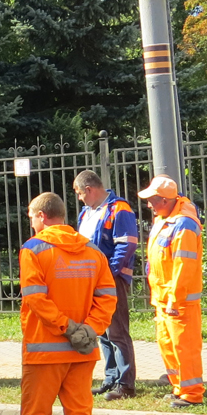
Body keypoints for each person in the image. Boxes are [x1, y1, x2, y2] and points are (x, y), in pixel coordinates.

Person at [8, 192, 116, 415]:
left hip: (44, 353)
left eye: (31, 216)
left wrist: (67, 327)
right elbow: (108, 297)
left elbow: (36, 299)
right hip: (82, 354)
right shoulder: (92, 251)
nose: (31, 222)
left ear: (41, 216)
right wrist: (90, 329)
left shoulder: (33, 250)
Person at [138, 175, 205, 408]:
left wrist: (174, 299)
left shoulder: (184, 224)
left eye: (151, 200)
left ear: (164, 200)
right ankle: (179, 387)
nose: (148, 204)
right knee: (167, 344)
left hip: (178, 300)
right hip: (163, 298)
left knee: (184, 346)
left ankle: (192, 393)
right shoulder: (165, 219)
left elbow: (184, 266)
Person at [72, 170, 139, 401]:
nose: (80, 198)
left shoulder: (119, 209)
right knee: (102, 330)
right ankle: (110, 378)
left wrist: (107, 274)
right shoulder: (86, 213)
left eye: (80, 193)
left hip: (112, 279)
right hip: (92, 280)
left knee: (117, 331)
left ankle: (126, 384)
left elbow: (127, 245)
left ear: (89, 189)